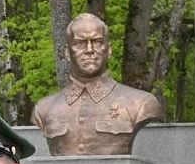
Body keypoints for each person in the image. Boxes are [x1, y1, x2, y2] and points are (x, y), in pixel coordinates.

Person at [31, 12, 163, 156]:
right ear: (67, 53)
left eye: (97, 42)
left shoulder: (141, 104)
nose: (89, 50)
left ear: (109, 50)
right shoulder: (44, 109)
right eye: (80, 43)